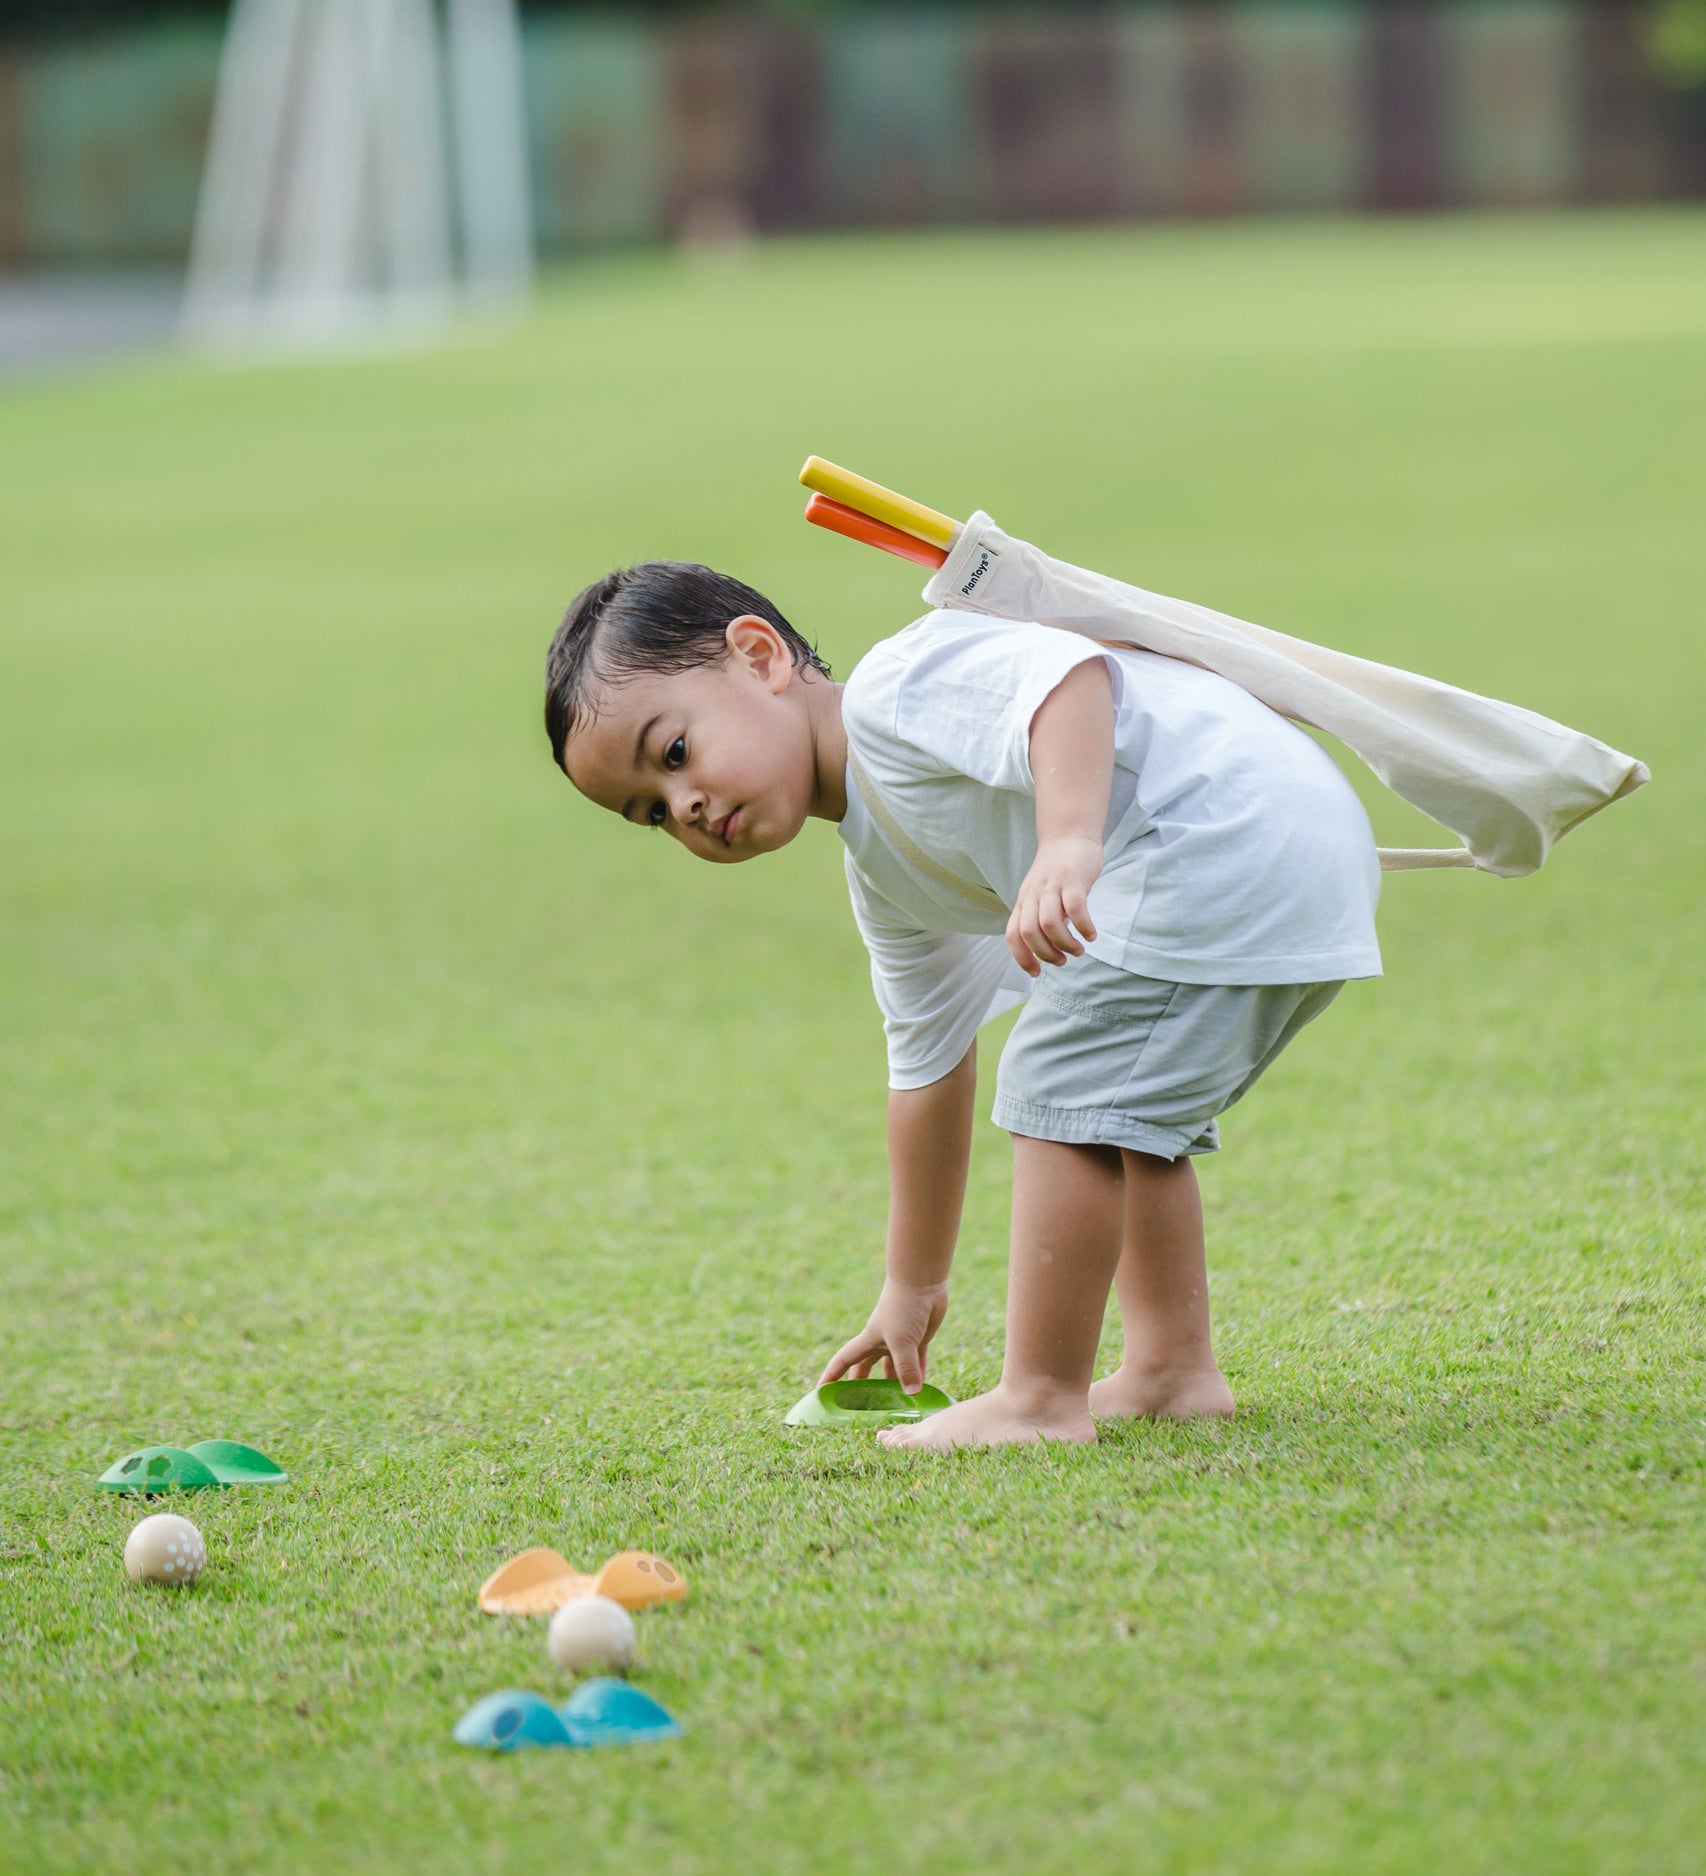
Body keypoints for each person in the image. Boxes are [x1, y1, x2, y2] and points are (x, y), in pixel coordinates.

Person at [544, 559, 1381, 1450]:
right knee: (1119, 1107)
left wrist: (1067, 840)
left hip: (1222, 834)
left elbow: (1068, 679)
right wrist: (912, 1288)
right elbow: (927, 1071)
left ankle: (1039, 1401)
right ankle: (1171, 1369)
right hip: (1281, 849)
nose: (686, 806)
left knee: (1061, 1081)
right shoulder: (885, 874)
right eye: (652, 813)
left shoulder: (896, 691)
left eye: (673, 754)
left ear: (758, 658)